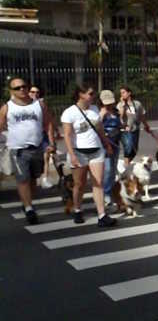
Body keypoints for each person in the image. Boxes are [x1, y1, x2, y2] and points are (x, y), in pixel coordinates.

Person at [60, 83, 117, 227]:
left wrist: (106, 144)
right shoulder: (69, 112)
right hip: (79, 152)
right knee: (79, 184)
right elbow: (66, 135)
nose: (93, 97)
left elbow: (99, 129)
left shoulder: (94, 109)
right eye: (90, 94)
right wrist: (72, 155)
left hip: (96, 151)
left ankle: (102, 215)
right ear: (81, 94)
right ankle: (78, 209)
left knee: (98, 183)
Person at [0, 78, 55, 224]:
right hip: (18, 150)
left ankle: (26, 202)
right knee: (22, 179)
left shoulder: (39, 105)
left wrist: (51, 142)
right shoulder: (7, 107)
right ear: (11, 91)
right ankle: (29, 208)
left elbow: (48, 123)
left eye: (24, 86)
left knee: (32, 180)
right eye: (17, 88)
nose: (22, 90)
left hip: (36, 148)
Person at [117, 86, 154, 166]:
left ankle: (126, 165)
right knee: (128, 148)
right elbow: (120, 117)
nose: (122, 94)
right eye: (121, 93)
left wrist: (146, 126)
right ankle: (126, 167)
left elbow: (141, 116)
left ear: (129, 93)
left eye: (123, 92)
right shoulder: (120, 105)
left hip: (135, 129)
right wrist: (123, 105)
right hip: (125, 130)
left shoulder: (137, 104)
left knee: (134, 150)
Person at [99, 90, 122, 208]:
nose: (109, 105)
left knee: (113, 171)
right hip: (105, 146)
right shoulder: (101, 113)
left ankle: (111, 193)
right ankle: (105, 194)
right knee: (107, 170)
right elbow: (97, 128)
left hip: (115, 144)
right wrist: (102, 116)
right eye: (106, 103)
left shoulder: (116, 112)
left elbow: (119, 125)